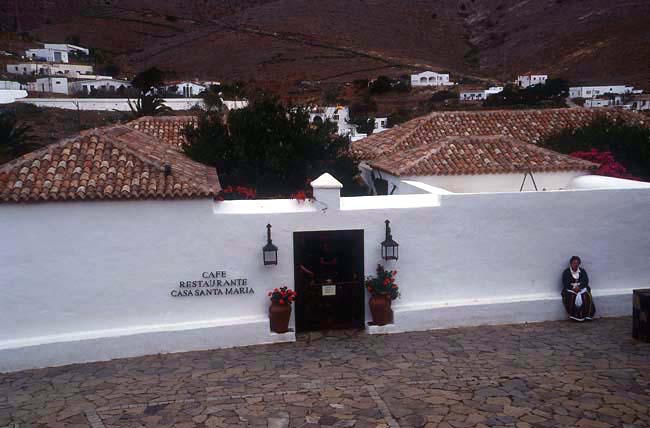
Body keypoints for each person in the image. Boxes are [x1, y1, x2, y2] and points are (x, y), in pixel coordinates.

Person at [561, 256, 596, 321]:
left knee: (586, 296)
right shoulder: (566, 272)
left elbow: (585, 281)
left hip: (581, 288)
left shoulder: (582, 271)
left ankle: (587, 315)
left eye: (577, 263)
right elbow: (565, 282)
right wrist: (573, 288)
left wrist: (579, 288)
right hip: (571, 289)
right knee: (572, 297)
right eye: (574, 263)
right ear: (571, 263)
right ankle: (575, 316)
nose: (575, 264)